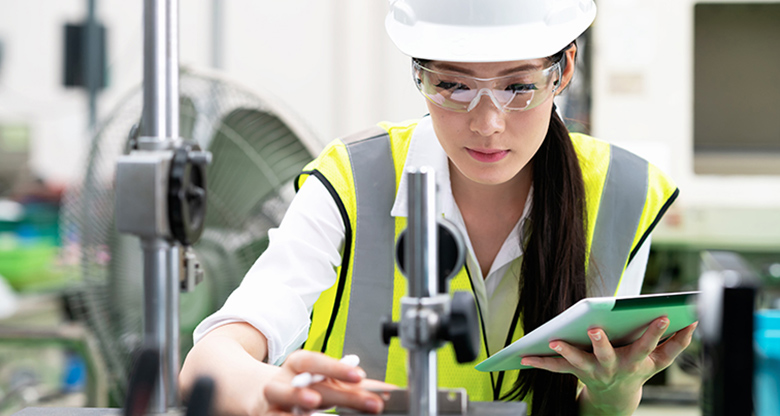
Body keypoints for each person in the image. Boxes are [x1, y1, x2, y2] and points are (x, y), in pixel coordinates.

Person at [180, 0, 697, 414]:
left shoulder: (622, 191)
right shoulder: (352, 181)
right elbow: (211, 361)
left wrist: (612, 392)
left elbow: (597, 403)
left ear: (564, 70)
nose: (488, 123)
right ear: (420, 75)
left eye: (519, 86)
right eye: (453, 85)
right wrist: (263, 392)